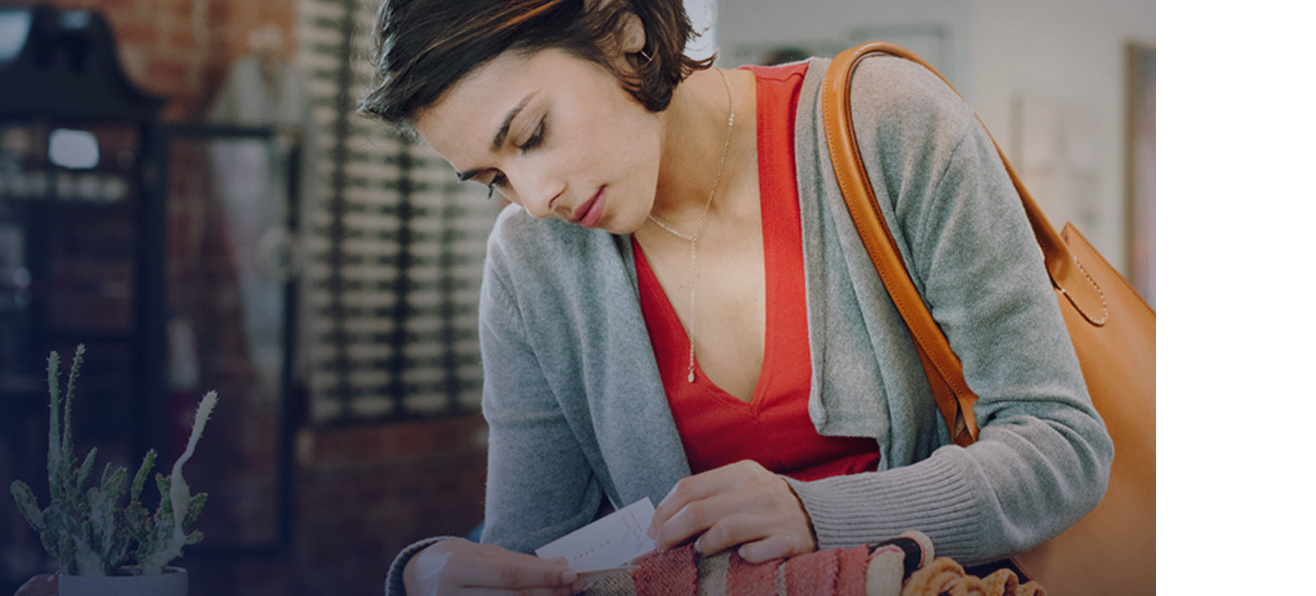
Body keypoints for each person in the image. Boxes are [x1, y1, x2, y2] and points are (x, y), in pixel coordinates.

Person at [358, 1, 1113, 594]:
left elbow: (1062, 443)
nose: (535, 195)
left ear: (620, 29)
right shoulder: (531, 265)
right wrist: (428, 575)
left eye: (531, 135)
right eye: (493, 180)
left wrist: (818, 515)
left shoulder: (890, 123)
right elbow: (536, 550)